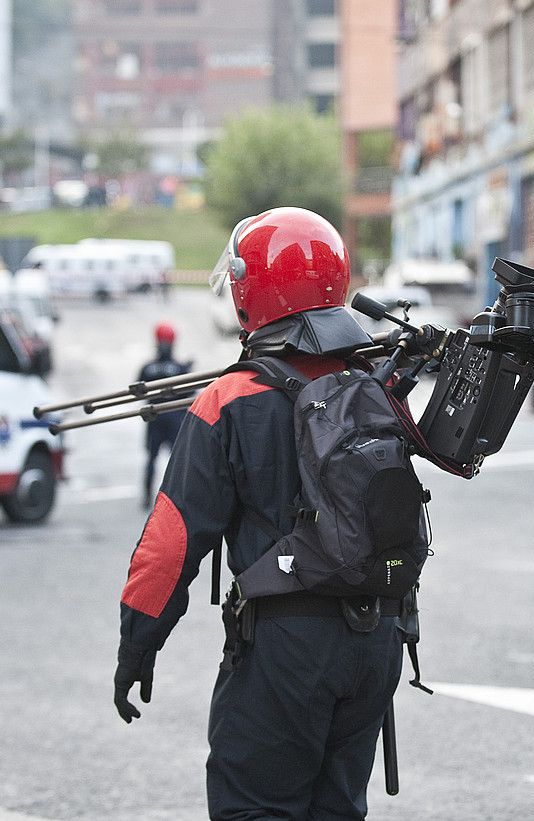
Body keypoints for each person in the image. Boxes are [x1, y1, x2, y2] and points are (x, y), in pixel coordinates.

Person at [114, 207, 402, 820]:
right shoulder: (374, 384)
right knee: (338, 810)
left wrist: (138, 643)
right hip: (378, 641)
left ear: (254, 291)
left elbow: (171, 542)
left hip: (285, 648)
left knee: (256, 808)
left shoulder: (227, 400)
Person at [138, 322, 192, 507]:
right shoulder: (179, 369)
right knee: (177, 461)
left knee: (151, 459)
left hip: (154, 418)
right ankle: (176, 498)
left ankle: (146, 496)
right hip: (174, 418)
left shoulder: (148, 367)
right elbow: (189, 393)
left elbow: (138, 391)